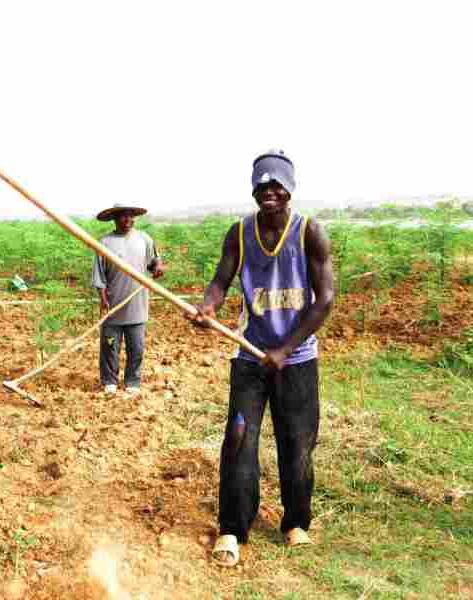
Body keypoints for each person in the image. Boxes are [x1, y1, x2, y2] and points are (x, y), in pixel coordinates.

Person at [193, 150, 334, 566]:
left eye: (278, 185)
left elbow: (325, 300)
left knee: (297, 443)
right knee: (239, 441)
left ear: (289, 189)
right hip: (250, 358)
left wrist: (286, 349)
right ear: (253, 189)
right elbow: (220, 280)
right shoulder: (238, 233)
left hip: (298, 360)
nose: (269, 191)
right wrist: (208, 306)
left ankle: (296, 522)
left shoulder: (310, 232)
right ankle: (233, 530)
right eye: (262, 184)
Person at [91, 204, 165, 395]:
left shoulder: (144, 239)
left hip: (137, 303)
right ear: (114, 219)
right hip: (113, 304)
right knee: (109, 346)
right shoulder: (105, 242)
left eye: (130, 216)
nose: (127, 220)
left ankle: (132, 381)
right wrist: (102, 297)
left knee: (137, 347)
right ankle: (109, 381)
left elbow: (154, 262)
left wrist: (158, 267)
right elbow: (99, 274)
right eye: (123, 217)